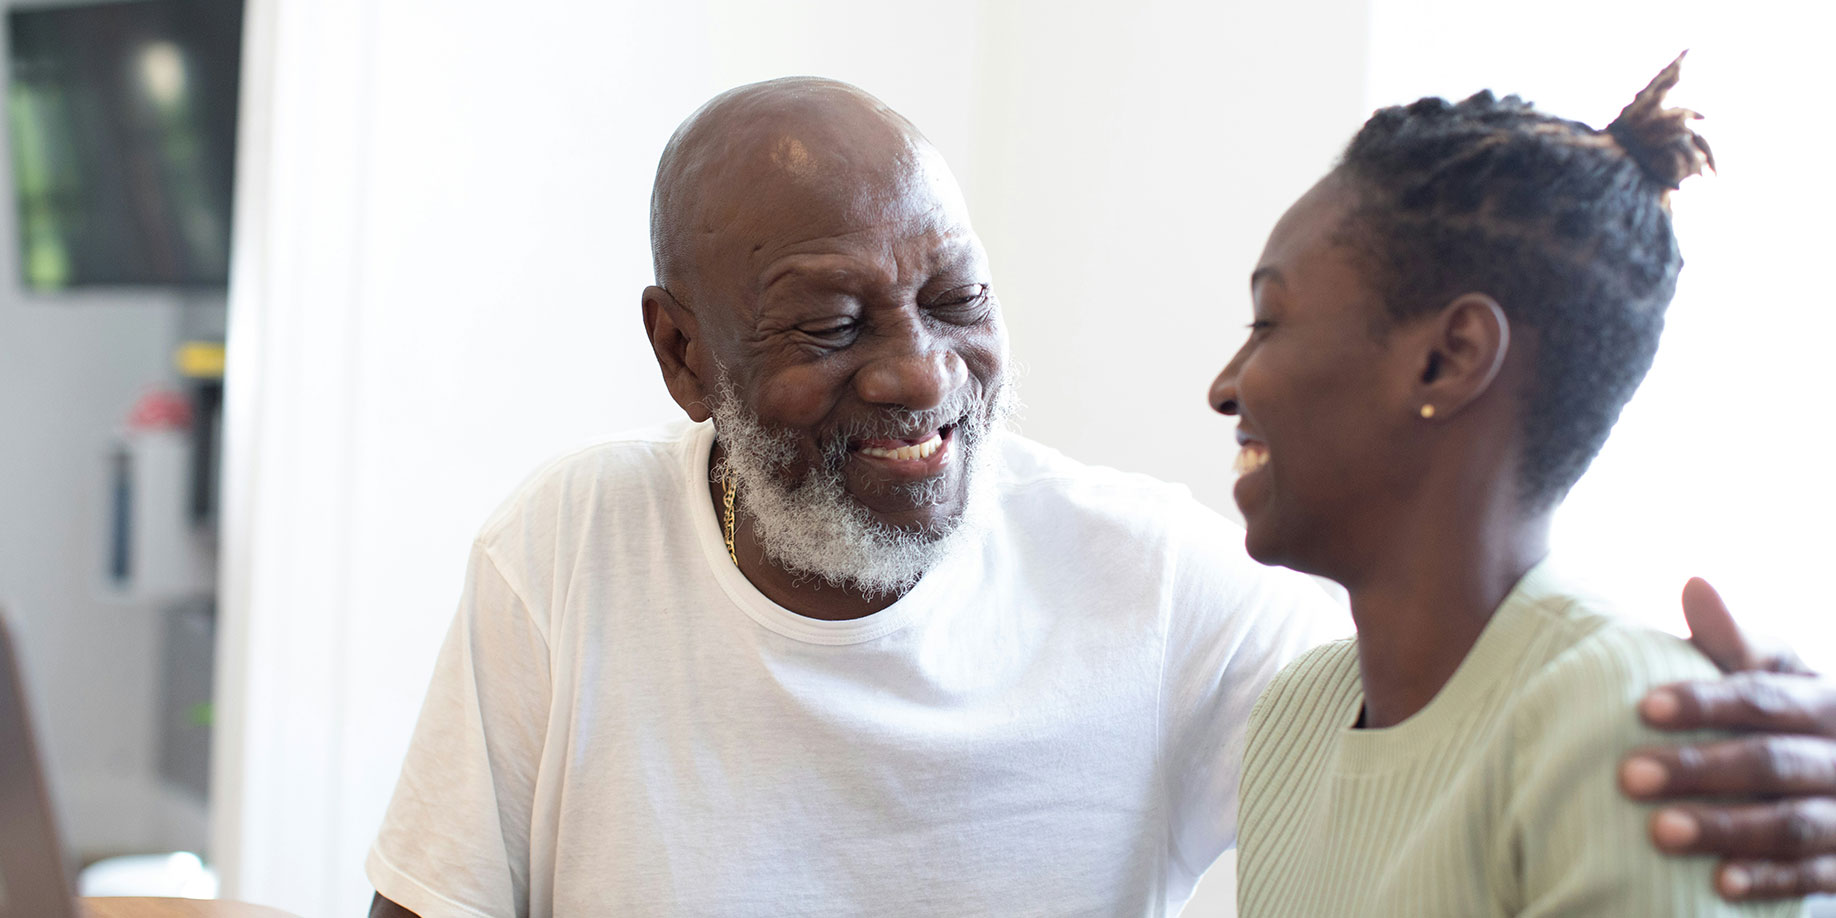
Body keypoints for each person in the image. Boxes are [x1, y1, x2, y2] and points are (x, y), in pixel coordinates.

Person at [367, 78, 1836, 917]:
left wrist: (1796, 749)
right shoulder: (562, 551)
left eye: (958, 298)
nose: (918, 375)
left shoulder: (1167, 596)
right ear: (683, 355)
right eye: (830, 324)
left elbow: (1459, 705)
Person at [1221, 58, 1810, 916]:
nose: (1226, 386)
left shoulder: (1634, 721)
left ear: (1448, 358)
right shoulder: (1297, 718)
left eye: (1268, 322)